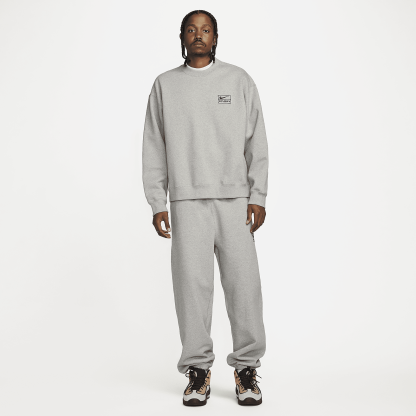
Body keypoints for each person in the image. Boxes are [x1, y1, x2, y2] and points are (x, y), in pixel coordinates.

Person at [142, 9, 269, 407]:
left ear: (215, 37)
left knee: (244, 287)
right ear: (182, 37)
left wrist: (258, 195)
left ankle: (246, 368)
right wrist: (157, 201)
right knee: (191, 290)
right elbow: (154, 146)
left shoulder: (238, 80)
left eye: (206, 30)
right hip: (186, 202)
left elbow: (257, 142)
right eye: (191, 29)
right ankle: (197, 370)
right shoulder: (165, 85)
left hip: (235, 202)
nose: (199, 35)